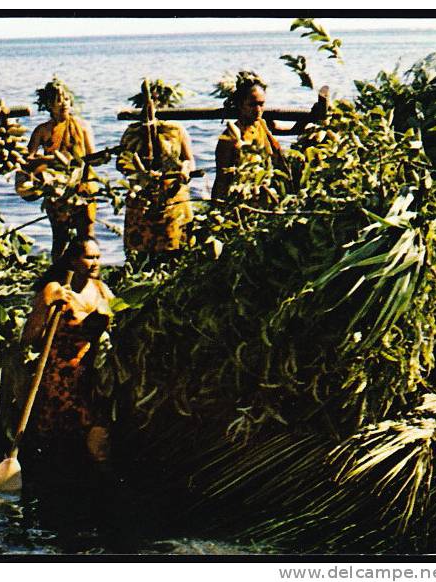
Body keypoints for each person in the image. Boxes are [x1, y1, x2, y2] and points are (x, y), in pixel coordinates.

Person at [22, 236, 114, 466]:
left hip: (91, 372)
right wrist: (46, 303)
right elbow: (30, 336)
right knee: (58, 434)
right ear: (73, 261)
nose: (95, 263)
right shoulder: (57, 288)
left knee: (94, 431)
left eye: (98, 258)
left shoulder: (102, 290)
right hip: (60, 373)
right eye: (89, 257)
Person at [212, 72, 327, 200]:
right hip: (243, 196)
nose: (258, 110)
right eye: (252, 104)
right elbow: (221, 179)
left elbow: (293, 130)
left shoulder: (262, 124)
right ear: (240, 105)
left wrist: (311, 116)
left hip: (266, 190)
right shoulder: (230, 137)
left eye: (261, 104)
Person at [18, 78, 97, 260]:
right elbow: (27, 161)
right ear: (48, 105)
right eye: (58, 100)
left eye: (66, 99)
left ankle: (87, 277)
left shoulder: (83, 127)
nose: (64, 104)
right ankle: (58, 278)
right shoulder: (42, 131)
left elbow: (92, 158)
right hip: (55, 189)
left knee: (86, 236)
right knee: (60, 238)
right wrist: (50, 161)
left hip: (82, 188)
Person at [117, 79, 196, 256]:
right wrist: (139, 174)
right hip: (142, 200)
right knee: (141, 253)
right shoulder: (132, 132)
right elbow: (122, 163)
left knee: (175, 251)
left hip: (173, 199)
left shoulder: (176, 130)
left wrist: (185, 170)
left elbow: (189, 160)